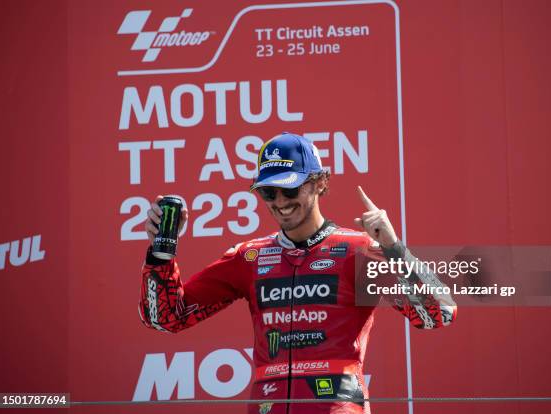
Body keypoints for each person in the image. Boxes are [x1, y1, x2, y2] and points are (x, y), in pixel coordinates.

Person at [139, 132, 457, 414]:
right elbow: (167, 318)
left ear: (319, 183)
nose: (279, 202)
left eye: (289, 190)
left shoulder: (357, 249)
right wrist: (161, 252)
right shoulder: (249, 257)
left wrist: (394, 247)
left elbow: (437, 314)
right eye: (268, 193)